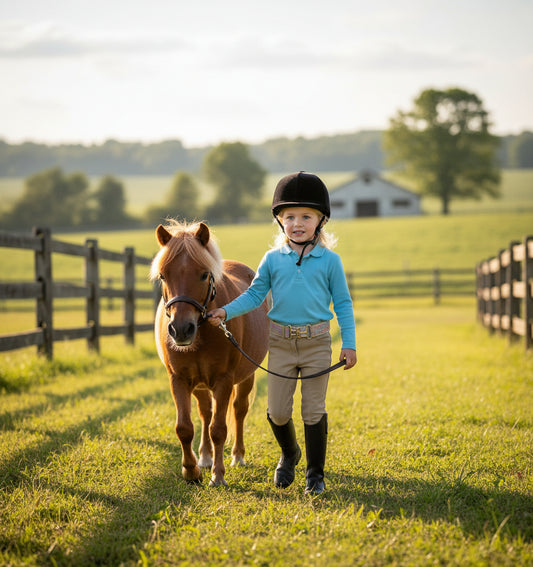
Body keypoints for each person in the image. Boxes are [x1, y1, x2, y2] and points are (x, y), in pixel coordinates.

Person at [208, 171, 357, 494]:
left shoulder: (330, 261)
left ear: (320, 222)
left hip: (318, 342)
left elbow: (343, 304)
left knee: (313, 410)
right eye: (290, 217)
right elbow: (254, 295)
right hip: (281, 343)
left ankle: (315, 476)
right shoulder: (273, 260)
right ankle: (290, 454)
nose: (297, 223)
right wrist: (225, 311)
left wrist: (350, 344)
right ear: (280, 222)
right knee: (276, 411)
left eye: (306, 216)